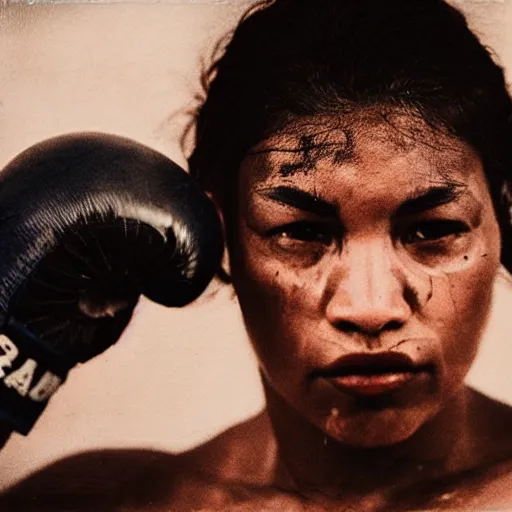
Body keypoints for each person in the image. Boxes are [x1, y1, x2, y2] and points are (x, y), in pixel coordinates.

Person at [1, 0, 512, 510]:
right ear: (221, 235)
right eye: (300, 233)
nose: (370, 309)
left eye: (433, 229)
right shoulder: (121, 503)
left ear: (502, 222)